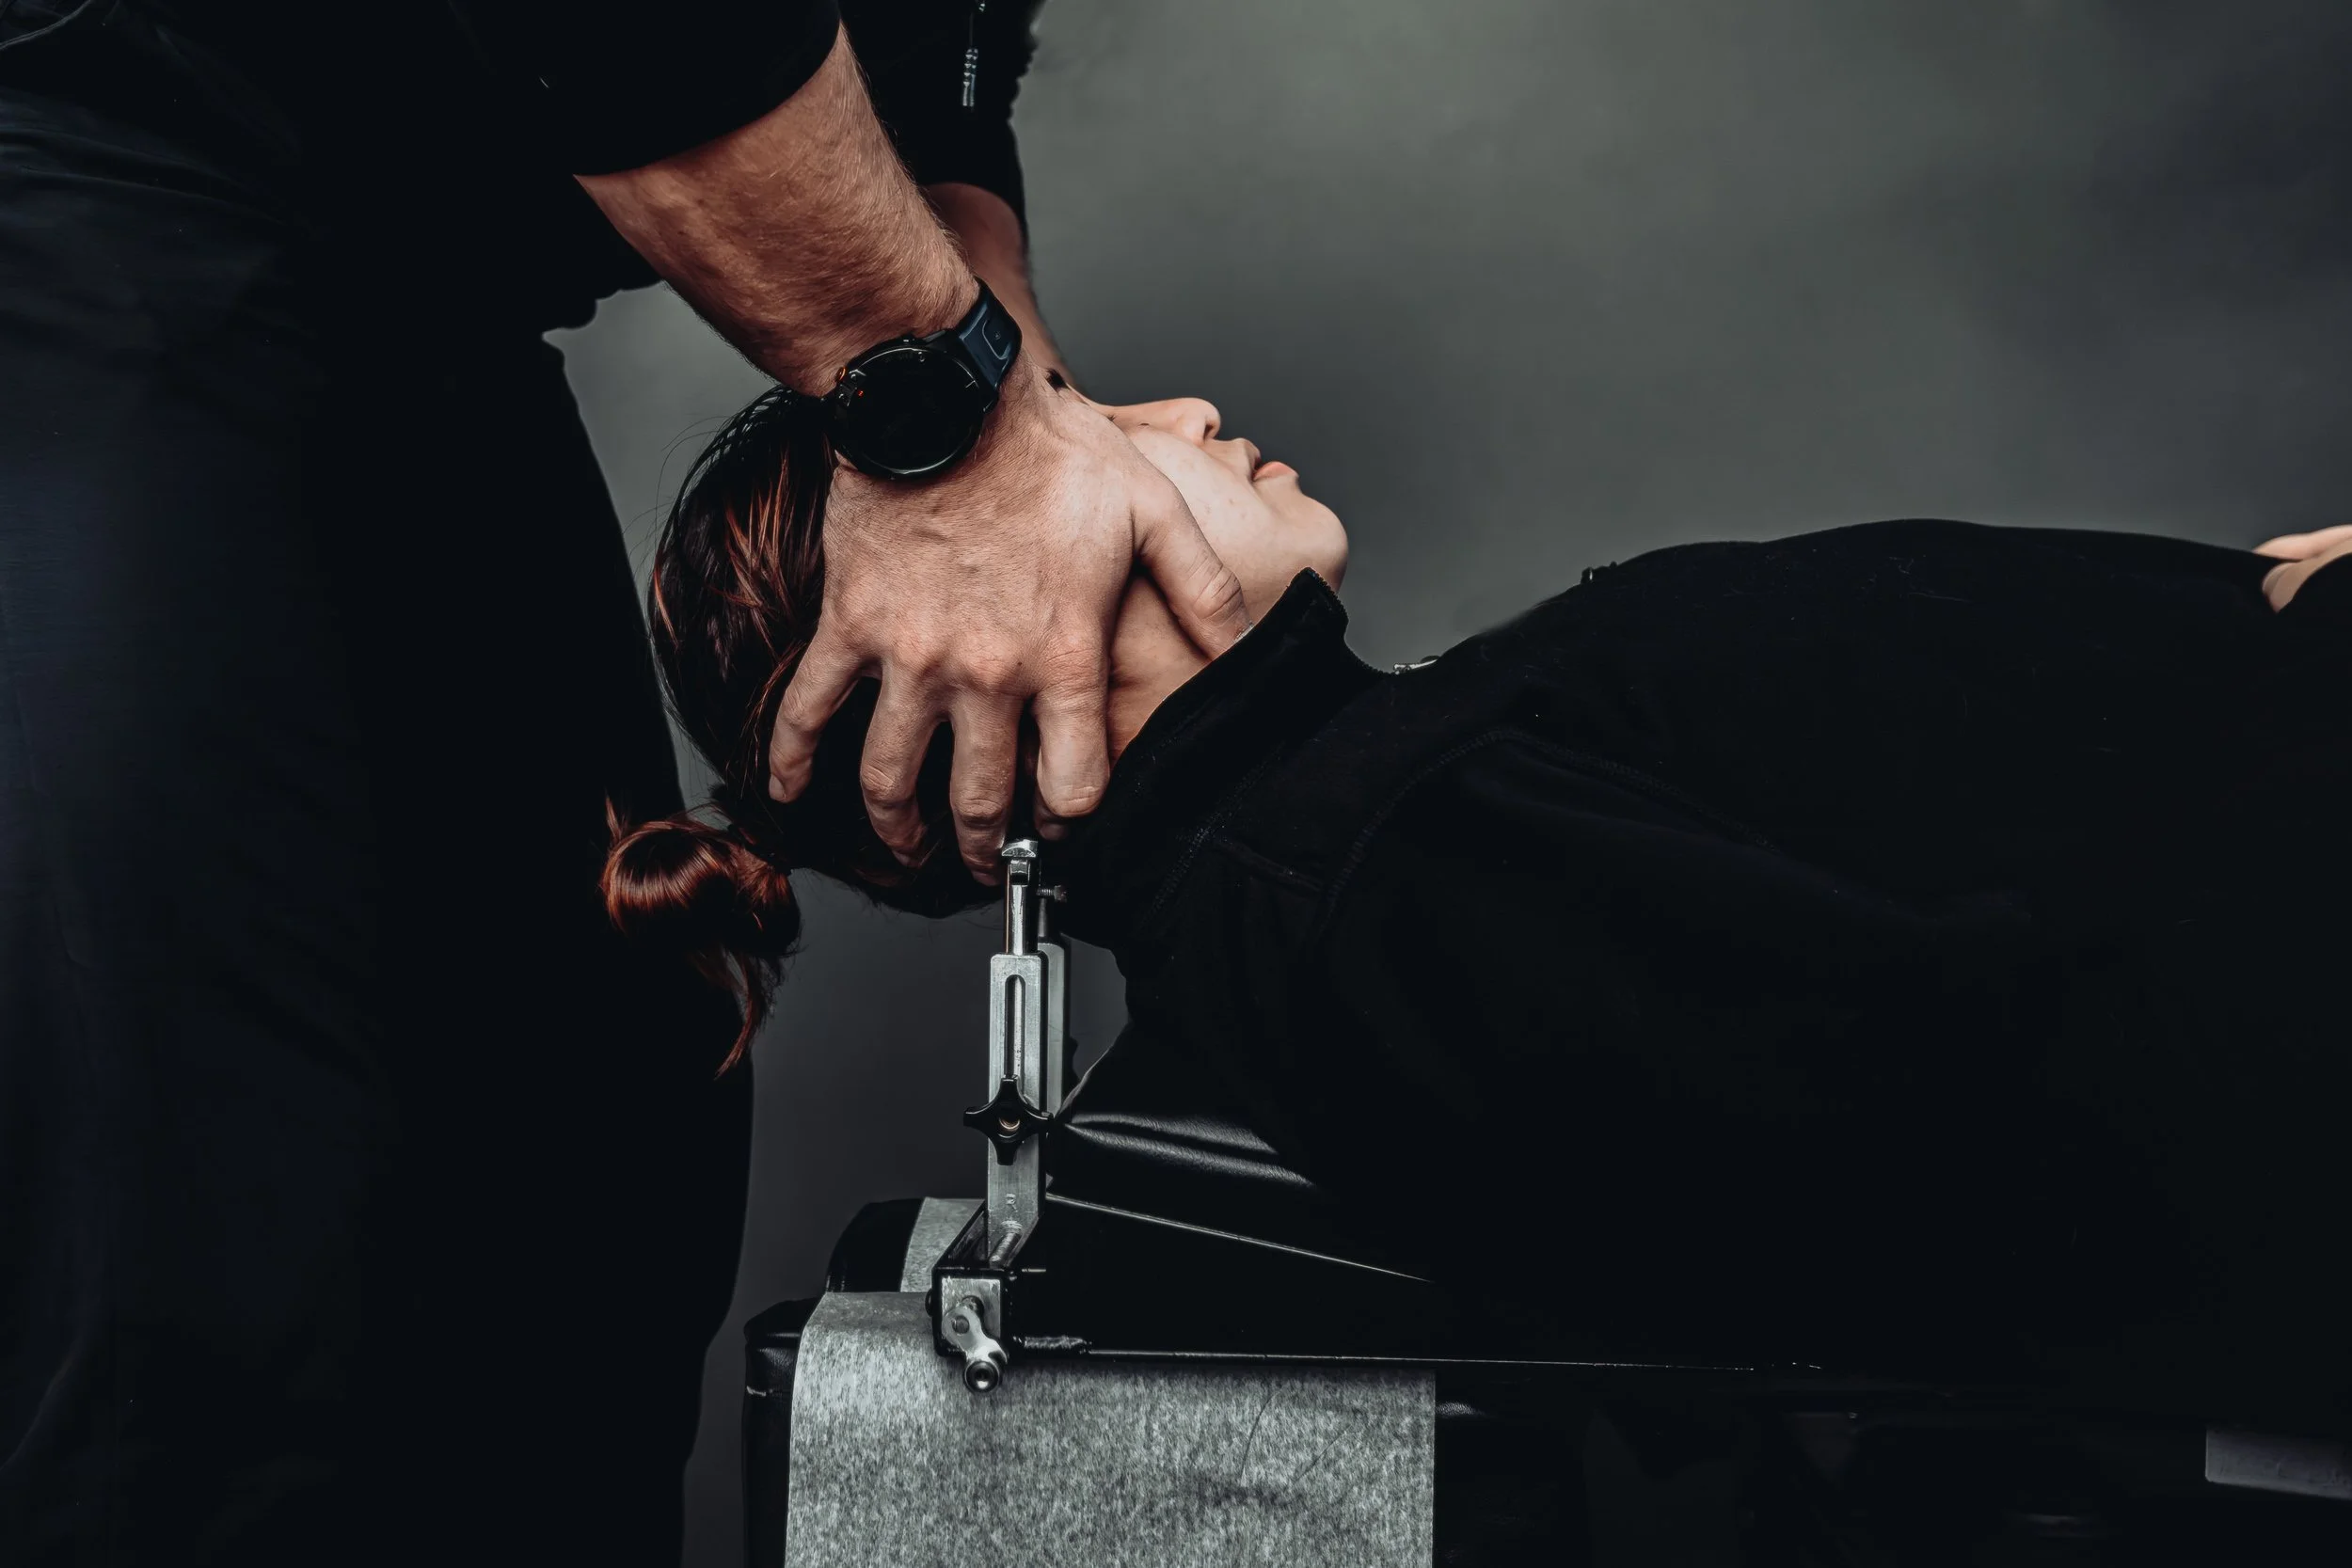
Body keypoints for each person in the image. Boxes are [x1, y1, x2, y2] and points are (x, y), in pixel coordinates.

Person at [0, 2, 1246, 1560]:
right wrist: (945, 420)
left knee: (579, 1214)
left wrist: (1030, 437)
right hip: (97, 204)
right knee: (224, 1253)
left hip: (430, 295)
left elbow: (928, 67)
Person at [612, 380, 2352, 1415]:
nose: (1183, 416)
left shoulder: (1364, 806)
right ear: (975, 620)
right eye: (1085, 428)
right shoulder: (1358, 882)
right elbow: (2050, 1116)